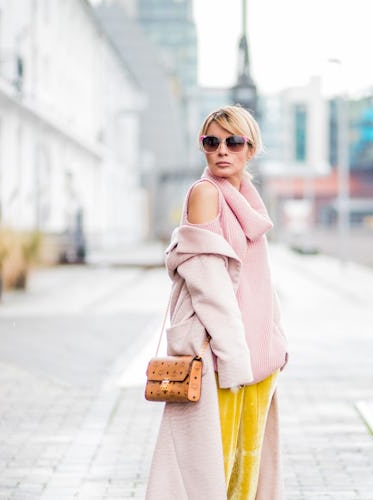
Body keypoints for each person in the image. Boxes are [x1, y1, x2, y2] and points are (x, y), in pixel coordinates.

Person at [145, 105, 288, 500]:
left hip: (257, 358)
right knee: (211, 472)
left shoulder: (250, 203)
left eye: (233, 141)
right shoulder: (206, 194)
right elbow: (210, 286)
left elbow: (261, 280)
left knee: (246, 470)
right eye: (212, 142)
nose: (222, 150)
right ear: (203, 148)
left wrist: (276, 339)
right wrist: (234, 357)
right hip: (220, 357)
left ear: (251, 148)